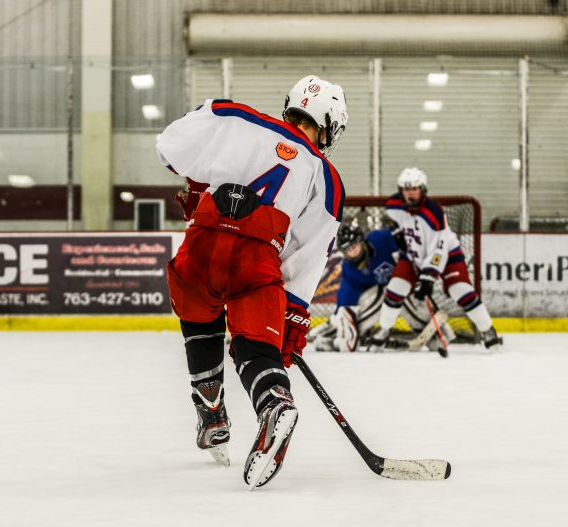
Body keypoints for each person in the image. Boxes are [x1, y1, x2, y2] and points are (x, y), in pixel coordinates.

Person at [156, 75, 348, 489]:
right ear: (328, 123)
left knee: (199, 318)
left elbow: (170, 148)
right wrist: (293, 318)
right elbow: (307, 254)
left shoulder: (233, 114)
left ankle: (212, 418)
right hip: (258, 257)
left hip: (204, 240)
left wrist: (199, 183)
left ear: (290, 105)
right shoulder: (326, 176)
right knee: (254, 347)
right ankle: (274, 402)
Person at [370, 167, 502, 351]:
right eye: (406, 189)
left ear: (423, 189)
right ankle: (384, 330)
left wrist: (428, 277)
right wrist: (400, 234)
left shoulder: (434, 213)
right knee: (395, 289)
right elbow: (399, 221)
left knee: (461, 291)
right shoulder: (394, 205)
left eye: (415, 188)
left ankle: (488, 330)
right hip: (413, 255)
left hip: (447, 256)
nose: (411, 194)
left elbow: (438, 251)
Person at [309, 219, 399, 352]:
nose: (353, 251)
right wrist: (341, 316)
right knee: (351, 310)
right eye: (347, 249)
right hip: (382, 294)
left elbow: (405, 244)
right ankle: (332, 329)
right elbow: (347, 299)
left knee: (397, 287)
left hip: (402, 285)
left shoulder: (380, 239)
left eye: (354, 245)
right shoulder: (350, 269)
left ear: (361, 241)